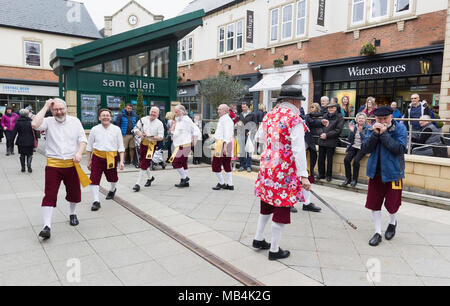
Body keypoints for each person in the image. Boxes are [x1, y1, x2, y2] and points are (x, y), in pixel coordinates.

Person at [254, 85, 311, 261]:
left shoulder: (269, 115)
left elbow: (259, 138)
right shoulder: (295, 119)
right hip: (284, 170)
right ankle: (274, 249)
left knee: (266, 203)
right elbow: (299, 149)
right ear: (295, 101)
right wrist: (303, 175)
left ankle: (258, 239)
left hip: (268, 167)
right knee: (282, 206)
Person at [32, 98, 89, 240]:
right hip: (53, 165)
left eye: (61, 109)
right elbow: (34, 124)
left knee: (74, 193)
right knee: (49, 194)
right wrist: (45, 106)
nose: (59, 112)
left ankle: (72, 213)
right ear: (52, 111)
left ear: (66, 108)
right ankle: (47, 226)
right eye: (55, 110)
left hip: (72, 164)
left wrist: (78, 153)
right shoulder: (48, 121)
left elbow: (82, 139)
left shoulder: (75, 121)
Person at [360, 105, 408, 247]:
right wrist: (375, 134)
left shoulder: (400, 128)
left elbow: (398, 149)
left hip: (394, 172)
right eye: (378, 118)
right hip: (375, 171)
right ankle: (377, 232)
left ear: (391, 117)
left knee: (393, 203)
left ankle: (392, 222)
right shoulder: (372, 128)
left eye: (385, 118)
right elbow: (365, 148)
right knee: (374, 202)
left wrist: (384, 134)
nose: (382, 121)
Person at [86, 109, 125, 211]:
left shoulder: (116, 129)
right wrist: (89, 160)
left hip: (111, 157)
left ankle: (112, 189)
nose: (105, 117)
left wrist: (121, 161)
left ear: (110, 118)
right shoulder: (94, 129)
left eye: (107, 115)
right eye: (103, 115)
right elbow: (89, 146)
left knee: (113, 178)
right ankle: (96, 201)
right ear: (99, 118)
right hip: (97, 157)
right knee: (94, 179)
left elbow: (121, 147)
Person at [132, 107, 164, 192]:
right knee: (144, 162)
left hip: (151, 145)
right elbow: (135, 129)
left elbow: (161, 137)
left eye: (155, 112)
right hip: (143, 143)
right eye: (152, 111)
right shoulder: (143, 119)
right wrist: (140, 133)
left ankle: (137, 184)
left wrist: (150, 136)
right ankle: (150, 178)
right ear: (149, 112)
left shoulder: (159, 123)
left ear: (157, 114)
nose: (153, 113)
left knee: (144, 163)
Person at [169, 105, 201, 188]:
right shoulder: (178, 120)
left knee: (175, 162)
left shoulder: (186, 119)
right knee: (183, 163)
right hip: (179, 144)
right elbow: (179, 132)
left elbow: (196, 129)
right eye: (174, 111)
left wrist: (194, 140)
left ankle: (185, 178)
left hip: (185, 144)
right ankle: (185, 182)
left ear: (182, 112)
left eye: (176, 112)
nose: (175, 113)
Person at [317, 102, 345, 182]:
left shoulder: (340, 117)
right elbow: (320, 126)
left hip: (331, 141)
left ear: (336, 108)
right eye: (329, 108)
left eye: (332, 107)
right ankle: (321, 174)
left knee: (330, 160)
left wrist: (327, 135)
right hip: (322, 140)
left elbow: (338, 130)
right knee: (321, 159)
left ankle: (329, 175)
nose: (330, 109)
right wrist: (321, 133)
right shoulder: (325, 116)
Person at [342, 112, 370, 187]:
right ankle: (348, 179)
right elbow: (350, 140)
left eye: (362, 118)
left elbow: (367, 140)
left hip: (362, 147)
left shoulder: (368, 127)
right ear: (356, 120)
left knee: (356, 161)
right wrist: (351, 132)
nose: (361, 119)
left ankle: (355, 180)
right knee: (346, 160)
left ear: (365, 120)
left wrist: (360, 132)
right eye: (359, 118)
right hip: (353, 146)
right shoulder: (354, 127)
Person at [211, 104, 235, 191]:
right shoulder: (224, 119)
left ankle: (221, 183)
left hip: (223, 144)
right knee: (226, 163)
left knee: (216, 164)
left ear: (225, 111)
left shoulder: (226, 120)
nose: (218, 111)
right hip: (223, 143)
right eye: (218, 109)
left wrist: (225, 146)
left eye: (220, 109)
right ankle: (230, 184)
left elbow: (227, 134)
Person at [13, 109, 37, 173]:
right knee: (30, 154)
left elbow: (14, 132)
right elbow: (35, 132)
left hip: (20, 140)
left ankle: (23, 168)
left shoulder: (17, 122)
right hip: (30, 140)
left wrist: (11, 141)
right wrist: (36, 140)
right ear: (27, 114)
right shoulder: (31, 122)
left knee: (22, 155)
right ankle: (29, 165)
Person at [237, 102, 257, 172]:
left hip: (249, 135)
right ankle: (242, 165)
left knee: (248, 150)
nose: (243, 108)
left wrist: (251, 131)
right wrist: (238, 123)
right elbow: (238, 122)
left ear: (248, 107)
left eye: (244, 107)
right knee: (242, 151)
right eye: (242, 107)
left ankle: (249, 166)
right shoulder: (240, 114)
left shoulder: (252, 114)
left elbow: (254, 125)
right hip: (241, 134)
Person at [305, 103, 322, 179]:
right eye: (310, 107)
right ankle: (310, 174)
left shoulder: (321, 116)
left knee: (315, 158)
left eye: (313, 107)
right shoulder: (308, 116)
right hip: (310, 140)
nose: (311, 108)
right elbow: (312, 122)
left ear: (317, 108)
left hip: (319, 139)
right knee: (309, 158)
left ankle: (312, 173)